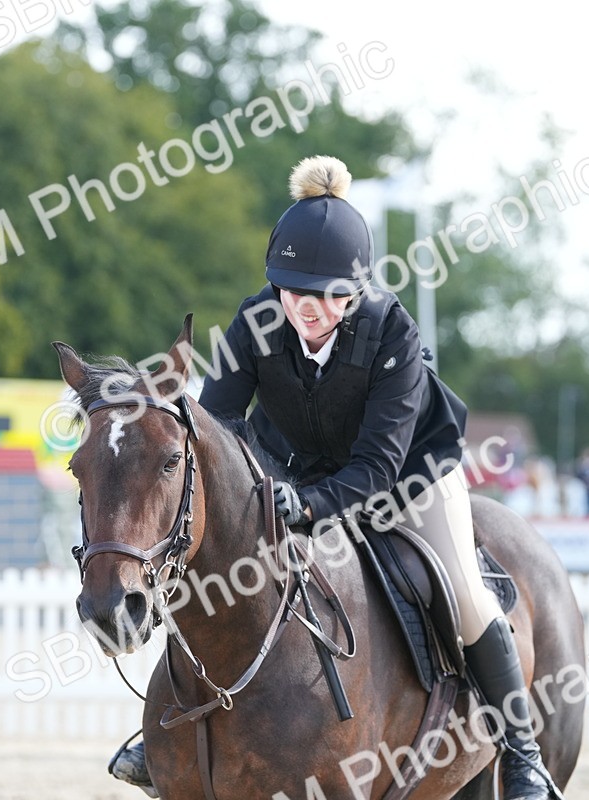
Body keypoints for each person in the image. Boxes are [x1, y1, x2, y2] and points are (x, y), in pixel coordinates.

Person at [109, 156, 559, 799]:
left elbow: (375, 467)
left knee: (461, 591)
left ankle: (521, 752)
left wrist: (309, 504)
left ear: (355, 292)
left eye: (326, 295)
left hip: (408, 478)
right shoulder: (257, 321)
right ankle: (169, 730)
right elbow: (222, 424)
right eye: (294, 291)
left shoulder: (392, 334)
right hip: (294, 472)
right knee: (215, 575)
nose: (307, 308)